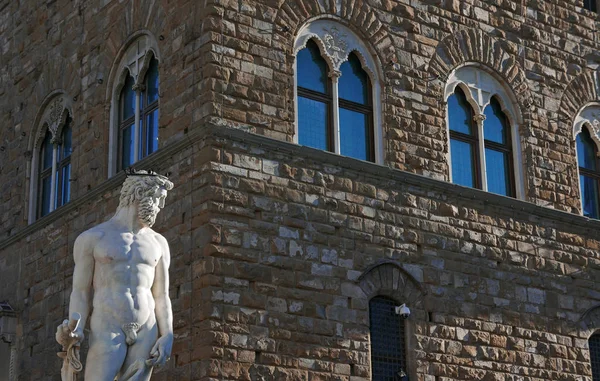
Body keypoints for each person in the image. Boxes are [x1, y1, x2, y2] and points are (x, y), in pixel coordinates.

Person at [56, 170, 174, 381]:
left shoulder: (159, 243)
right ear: (140, 193)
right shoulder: (93, 238)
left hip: (147, 326)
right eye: (158, 198)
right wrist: (78, 329)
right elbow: (81, 292)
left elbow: (162, 295)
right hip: (108, 323)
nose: (160, 206)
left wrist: (167, 334)